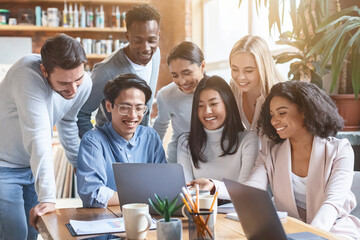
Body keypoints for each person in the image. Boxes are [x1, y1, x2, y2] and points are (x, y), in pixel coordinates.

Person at [0, 34, 92, 240]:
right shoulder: (26, 75)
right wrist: (50, 198)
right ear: (44, 71)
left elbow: (68, 121)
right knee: (15, 233)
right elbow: (39, 136)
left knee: (35, 230)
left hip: (31, 167)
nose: (73, 89)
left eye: (78, 79)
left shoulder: (83, 85)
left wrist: (77, 162)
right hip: (3, 166)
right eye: (64, 83)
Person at [246, 81, 360, 239]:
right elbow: (250, 191)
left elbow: (333, 202)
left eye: (282, 113)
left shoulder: (340, 150)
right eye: (272, 115)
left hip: (334, 228)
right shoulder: (270, 152)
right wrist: (213, 185)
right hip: (289, 229)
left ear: (305, 111)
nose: (274, 121)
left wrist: (309, 236)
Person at [77, 73, 166, 208]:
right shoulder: (93, 141)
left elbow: (164, 185)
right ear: (109, 106)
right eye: (124, 107)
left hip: (147, 220)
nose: (133, 115)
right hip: (105, 221)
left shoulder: (150, 137)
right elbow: (92, 193)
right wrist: (144, 197)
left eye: (139, 108)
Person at [77, 4, 161, 137]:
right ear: (127, 37)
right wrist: (96, 147)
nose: (146, 48)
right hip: (111, 147)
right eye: (138, 40)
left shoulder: (156, 55)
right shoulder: (106, 71)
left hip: (140, 146)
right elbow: (81, 114)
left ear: (158, 36)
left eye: (151, 40)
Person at [177, 75, 260, 200]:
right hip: (200, 213)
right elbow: (186, 190)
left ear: (227, 104)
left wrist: (213, 186)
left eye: (213, 104)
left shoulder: (248, 140)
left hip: (236, 215)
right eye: (200, 106)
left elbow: (245, 192)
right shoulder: (186, 142)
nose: (207, 111)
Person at [153, 41, 205, 163]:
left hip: (211, 159)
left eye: (187, 73)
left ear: (202, 66)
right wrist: (152, 157)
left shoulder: (218, 90)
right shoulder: (166, 95)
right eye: (175, 75)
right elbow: (160, 125)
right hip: (179, 160)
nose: (182, 81)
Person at [229, 35, 285, 131]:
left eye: (249, 71)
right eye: (235, 69)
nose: (240, 77)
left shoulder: (281, 95)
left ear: (263, 69)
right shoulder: (234, 87)